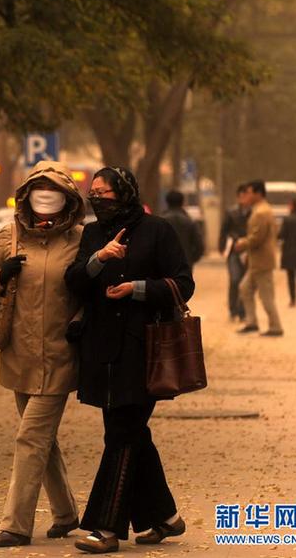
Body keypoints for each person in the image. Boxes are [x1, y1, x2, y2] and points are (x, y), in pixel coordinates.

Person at [65, 167, 194, 554]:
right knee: (129, 433)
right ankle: (165, 517)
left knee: (123, 433)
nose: (97, 198)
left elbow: (183, 283)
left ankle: (106, 528)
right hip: (102, 351)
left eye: (104, 192)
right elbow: (74, 282)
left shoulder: (158, 231)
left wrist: (137, 289)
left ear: (124, 192)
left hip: (145, 352)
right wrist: (99, 260)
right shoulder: (92, 234)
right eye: (93, 193)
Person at [0, 161, 84, 547]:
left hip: (60, 355)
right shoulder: (9, 236)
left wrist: (80, 321)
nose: (46, 197)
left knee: (29, 438)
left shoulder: (79, 240)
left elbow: (89, 292)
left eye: (53, 190)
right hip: (18, 354)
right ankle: (66, 513)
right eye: (39, 189)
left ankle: (16, 525)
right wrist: (3, 274)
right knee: (42, 439)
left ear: (68, 199)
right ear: (25, 196)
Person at [235, 180, 283, 337]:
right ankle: (252, 322)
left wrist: (242, 243)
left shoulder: (261, 212)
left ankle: (275, 326)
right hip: (257, 260)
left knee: (266, 295)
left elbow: (257, 238)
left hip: (262, 261)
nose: (247, 195)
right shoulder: (261, 210)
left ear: (258, 193)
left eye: (249, 192)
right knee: (245, 288)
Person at [218, 184, 250, 321]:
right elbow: (224, 230)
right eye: (241, 196)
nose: (243, 199)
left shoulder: (254, 212)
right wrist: (221, 247)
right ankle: (233, 309)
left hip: (248, 251)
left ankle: (243, 311)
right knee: (234, 280)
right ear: (238, 197)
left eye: (245, 196)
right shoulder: (231, 212)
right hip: (233, 252)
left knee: (245, 282)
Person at [162, 189, 204, 271]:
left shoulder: (160, 221)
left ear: (167, 202)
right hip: (185, 264)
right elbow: (199, 246)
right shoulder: (189, 221)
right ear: (182, 202)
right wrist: (191, 259)